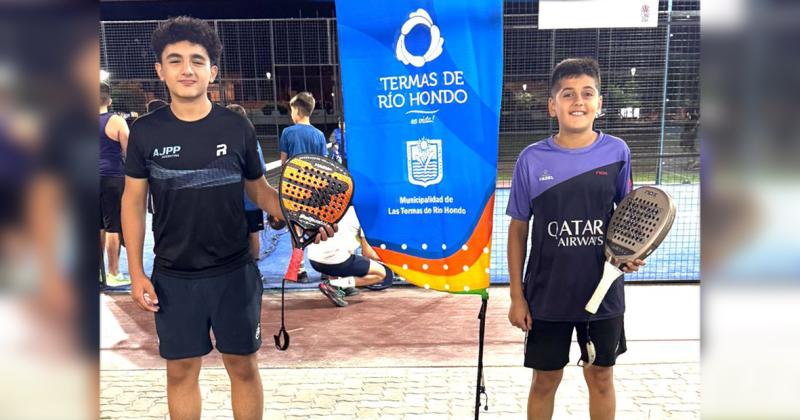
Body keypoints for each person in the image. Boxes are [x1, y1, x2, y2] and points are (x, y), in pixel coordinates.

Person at [120, 17, 334, 420]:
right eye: (176, 60)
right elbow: (133, 201)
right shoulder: (145, 133)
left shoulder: (236, 126)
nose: (187, 69)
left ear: (212, 71)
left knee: (243, 367)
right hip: (174, 276)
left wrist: (299, 216)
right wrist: (135, 272)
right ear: (160, 70)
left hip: (234, 274)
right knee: (181, 372)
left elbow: (259, 190)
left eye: (197, 60)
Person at [505, 58, 645, 420]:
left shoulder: (617, 153)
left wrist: (630, 255)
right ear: (553, 105)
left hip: (603, 294)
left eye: (587, 93)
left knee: (600, 377)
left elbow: (626, 219)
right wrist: (517, 297)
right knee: (545, 380)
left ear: (599, 103)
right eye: (567, 94)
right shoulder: (531, 160)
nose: (577, 101)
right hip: (546, 295)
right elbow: (518, 229)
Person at [278, 91, 327, 280]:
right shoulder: (320, 135)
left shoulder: (288, 132)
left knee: (295, 229)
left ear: (296, 111)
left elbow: (284, 164)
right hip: (315, 190)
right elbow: (324, 166)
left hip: (294, 188)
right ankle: (325, 268)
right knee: (318, 227)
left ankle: (299, 270)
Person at [307, 206, 394, 307]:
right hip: (333, 262)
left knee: (345, 251)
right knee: (380, 273)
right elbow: (367, 253)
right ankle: (334, 285)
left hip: (314, 260)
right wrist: (391, 260)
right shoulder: (365, 216)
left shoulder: (340, 207)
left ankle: (339, 284)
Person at [99, 81, 130, 286]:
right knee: (113, 226)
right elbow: (130, 152)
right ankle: (113, 272)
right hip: (112, 177)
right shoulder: (116, 121)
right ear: (109, 100)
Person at [227, 103, 267, 262]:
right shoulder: (252, 142)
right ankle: (254, 267)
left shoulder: (221, 143)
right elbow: (261, 168)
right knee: (253, 233)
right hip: (249, 199)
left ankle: (245, 268)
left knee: (234, 234)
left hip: (232, 200)